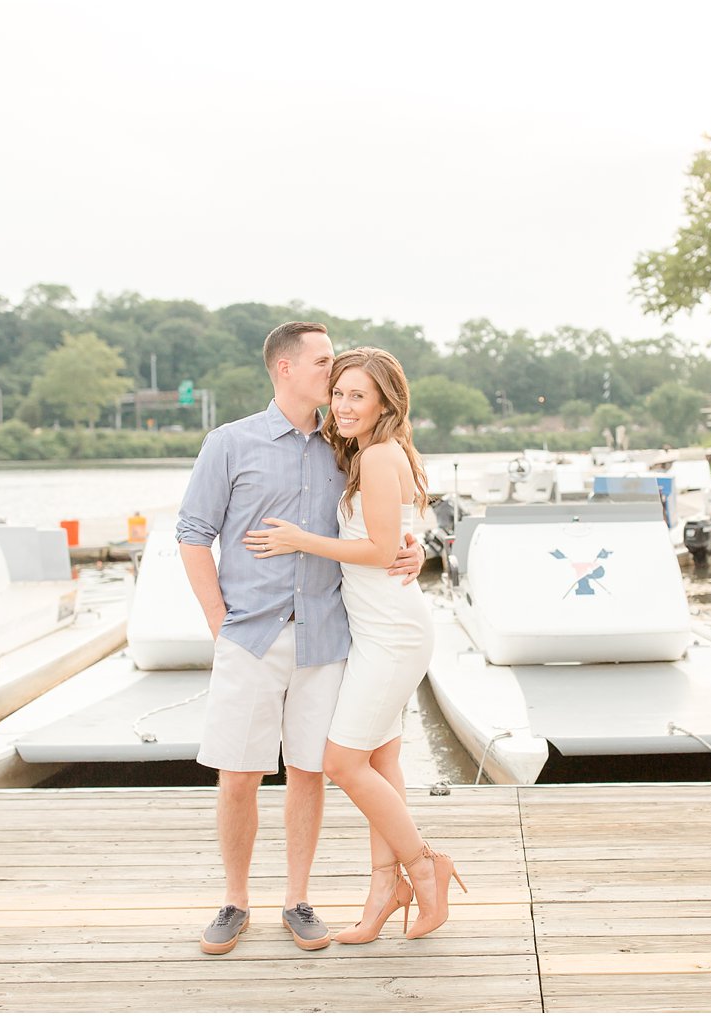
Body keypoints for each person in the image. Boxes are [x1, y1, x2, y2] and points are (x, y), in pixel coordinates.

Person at [176, 323, 421, 956]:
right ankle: (234, 901)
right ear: (285, 369)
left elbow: (383, 515)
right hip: (250, 635)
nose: (333, 373)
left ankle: (297, 898)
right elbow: (192, 534)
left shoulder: (346, 446)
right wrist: (218, 624)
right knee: (239, 775)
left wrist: (413, 547)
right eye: (323, 362)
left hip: (327, 637)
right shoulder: (229, 443)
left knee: (309, 772)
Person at [245, 346, 465, 944]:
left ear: (384, 402)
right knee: (382, 761)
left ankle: (425, 867)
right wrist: (410, 545)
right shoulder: (370, 453)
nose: (342, 406)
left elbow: (375, 550)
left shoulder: (377, 457)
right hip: (373, 630)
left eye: (357, 396)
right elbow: (391, 540)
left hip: (391, 633)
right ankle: (382, 891)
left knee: (342, 762)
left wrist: (299, 540)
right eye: (338, 392)